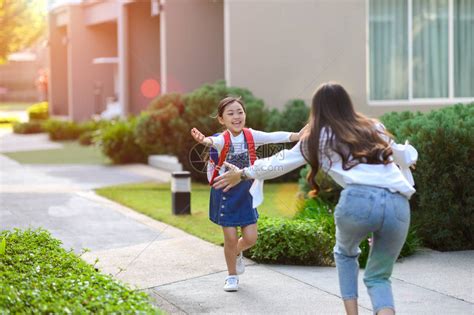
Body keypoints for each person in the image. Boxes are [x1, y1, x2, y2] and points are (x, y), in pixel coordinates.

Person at [212, 83, 417, 314]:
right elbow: (404, 153)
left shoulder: (318, 137)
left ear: (317, 109)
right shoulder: (373, 126)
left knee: (345, 255)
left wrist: (243, 173)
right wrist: (407, 161)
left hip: (359, 200)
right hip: (398, 204)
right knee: (379, 278)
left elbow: (279, 162)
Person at [190, 96, 307, 292]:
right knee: (230, 238)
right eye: (230, 113)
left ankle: (235, 253)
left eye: (240, 112)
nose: (236, 116)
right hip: (225, 192)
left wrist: (296, 136)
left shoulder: (251, 136)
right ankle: (232, 276)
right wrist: (204, 140)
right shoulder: (222, 140)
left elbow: (272, 136)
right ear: (221, 119)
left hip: (246, 192)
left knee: (251, 238)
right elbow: (213, 142)